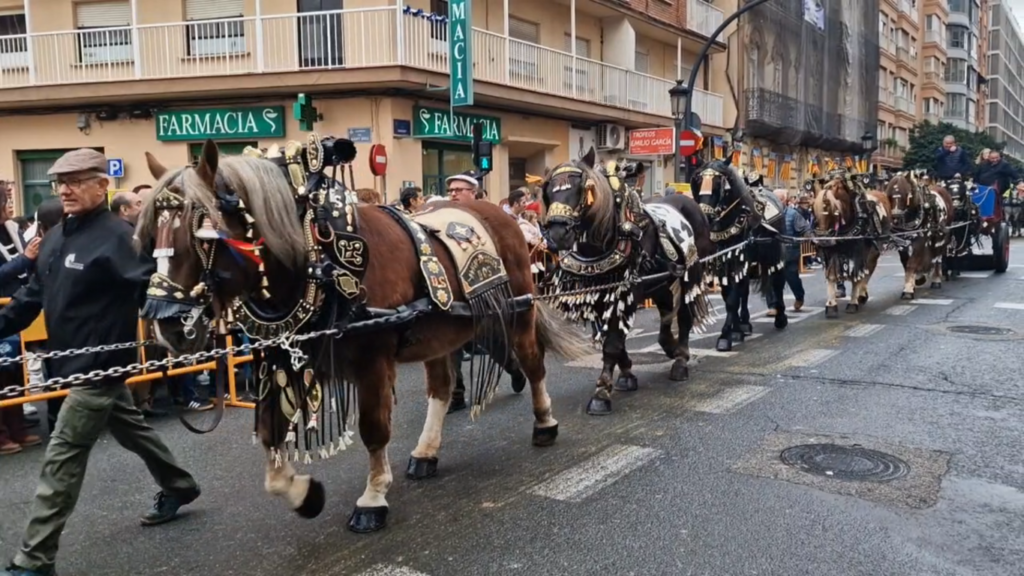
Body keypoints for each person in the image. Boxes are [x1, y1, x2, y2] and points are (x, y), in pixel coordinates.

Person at [0, 149, 201, 576]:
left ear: (102, 185)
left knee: (63, 455)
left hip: (102, 365)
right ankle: (180, 485)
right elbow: (29, 298)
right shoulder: (56, 236)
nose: (66, 190)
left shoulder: (120, 238)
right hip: (68, 363)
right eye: (60, 182)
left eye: (76, 181)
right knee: (132, 430)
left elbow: (156, 292)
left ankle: (33, 560)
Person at [445, 172, 527, 413]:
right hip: (452, 294)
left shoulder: (488, 219)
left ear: (474, 193)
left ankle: (514, 369)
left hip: (481, 292)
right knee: (449, 345)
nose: (453, 193)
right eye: (451, 189)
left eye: (459, 189)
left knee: (493, 342)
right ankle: (456, 393)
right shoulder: (442, 218)